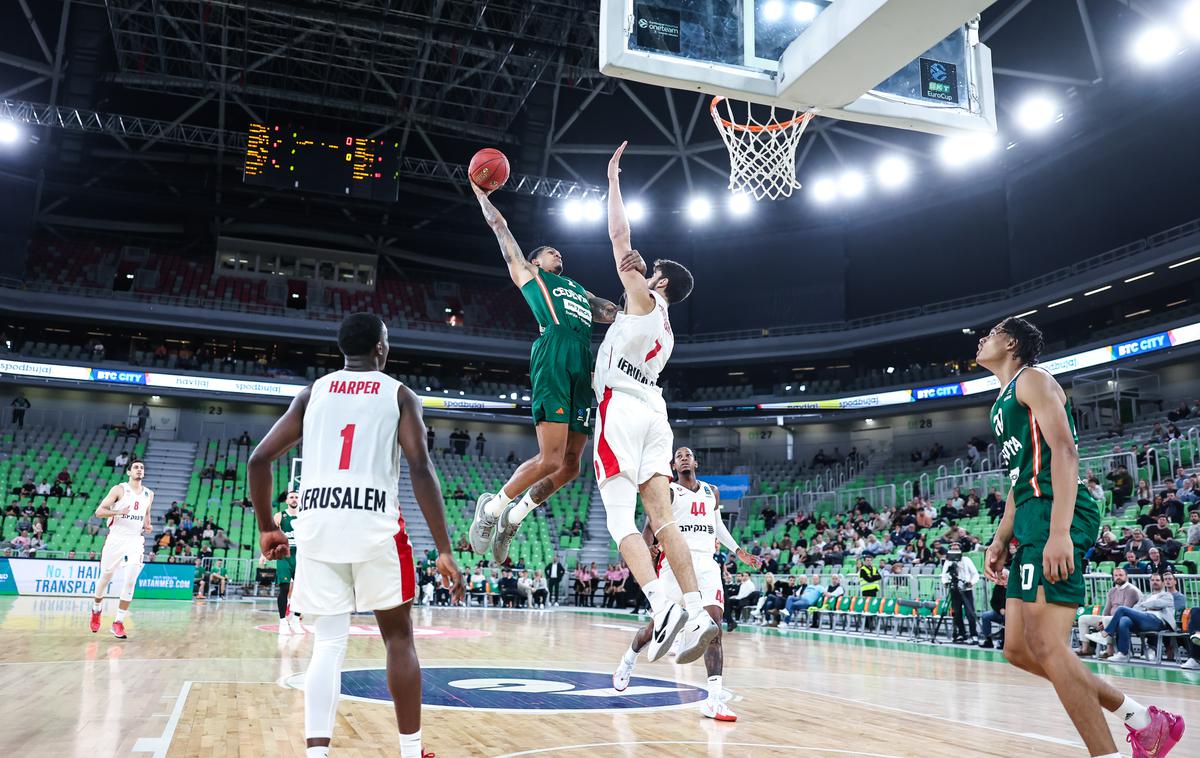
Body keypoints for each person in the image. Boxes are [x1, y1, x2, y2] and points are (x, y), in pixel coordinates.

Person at [247, 312, 464, 758]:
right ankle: (410, 751)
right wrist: (443, 548)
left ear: (342, 349)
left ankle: (316, 753)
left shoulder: (313, 393)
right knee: (399, 639)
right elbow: (421, 468)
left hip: (319, 528)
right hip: (374, 528)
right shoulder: (399, 394)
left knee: (328, 643)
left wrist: (268, 526)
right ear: (381, 349)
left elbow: (258, 460)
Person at [978, 317, 1184, 757]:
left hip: (1058, 513)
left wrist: (1059, 532)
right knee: (1017, 648)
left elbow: (1066, 451)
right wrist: (999, 540)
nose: (982, 339)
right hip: (1032, 514)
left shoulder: (1032, 379)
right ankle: (1144, 721)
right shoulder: (999, 404)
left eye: (992, 333)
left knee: (1049, 646)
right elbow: (1020, 480)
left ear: (1011, 343)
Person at [581, 142, 716, 664]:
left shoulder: (642, 296)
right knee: (663, 520)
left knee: (618, 518)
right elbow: (616, 312)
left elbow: (619, 236)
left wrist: (613, 181)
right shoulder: (666, 329)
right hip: (656, 413)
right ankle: (698, 610)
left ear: (657, 280)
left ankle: (662, 605)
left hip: (621, 408)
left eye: (650, 268)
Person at [466, 180, 627, 565]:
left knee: (571, 465)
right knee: (550, 458)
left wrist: (643, 307)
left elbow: (607, 311)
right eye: (551, 251)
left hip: (582, 362)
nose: (559, 254)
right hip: (554, 353)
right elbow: (501, 229)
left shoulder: (576, 288)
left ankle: (514, 517)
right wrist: (482, 197)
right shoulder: (529, 274)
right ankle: (491, 510)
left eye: (559, 252)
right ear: (537, 261)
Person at [612, 446, 763, 722]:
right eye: (678, 455)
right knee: (657, 626)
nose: (683, 457)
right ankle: (629, 659)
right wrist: (650, 549)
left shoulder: (711, 492)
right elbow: (648, 528)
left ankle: (713, 700)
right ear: (673, 465)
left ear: (696, 462)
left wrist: (739, 551)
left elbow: (717, 525)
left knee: (714, 627)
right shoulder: (669, 491)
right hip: (675, 565)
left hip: (706, 564)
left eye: (687, 454)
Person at [88, 459, 154, 639]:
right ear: (129, 472)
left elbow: (146, 515)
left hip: (135, 540)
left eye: (141, 468)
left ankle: (118, 622)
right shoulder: (119, 490)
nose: (139, 470)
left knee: (131, 579)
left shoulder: (149, 494)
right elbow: (99, 512)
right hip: (116, 538)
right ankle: (96, 609)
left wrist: (148, 526)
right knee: (106, 576)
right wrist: (118, 512)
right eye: (136, 467)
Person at [1087, 572, 1177, 663]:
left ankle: (1105, 633)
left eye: (1157, 580)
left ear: (1163, 583)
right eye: (1152, 580)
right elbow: (1135, 608)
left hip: (1157, 621)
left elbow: (1158, 604)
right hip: (1142, 620)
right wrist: (1145, 607)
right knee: (1124, 620)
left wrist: (1144, 606)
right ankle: (1123, 654)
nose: (1155, 582)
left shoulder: (1167, 595)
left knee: (1122, 609)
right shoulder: (1146, 596)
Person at [1076, 567, 1142, 657]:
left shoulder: (1132, 591)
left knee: (1107, 619)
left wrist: (1105, 620)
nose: (1118, 577)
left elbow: (1125, 611)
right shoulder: (1112, 591)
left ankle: (1109, 650)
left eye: (1121, 575)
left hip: (1124, 620)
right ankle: (1086, 648)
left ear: (1126, 577)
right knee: (1083, 619)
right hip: (1108, 619)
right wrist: (1101, 621)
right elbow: (1106, 610)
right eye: (1116, 575)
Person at [272, 491, 305, 636]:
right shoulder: (279, 516)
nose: (294, 499)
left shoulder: (305, 515)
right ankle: (283, 622)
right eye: (291, 497)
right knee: (284, 588)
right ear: (286, 500)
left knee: (300, 590)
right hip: (284, 554)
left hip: (301, 555)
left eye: (296, 497)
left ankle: (296, 621)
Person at [941, 543, 979, 643]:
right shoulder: (948, 562)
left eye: (956, 549)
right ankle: (961, 634)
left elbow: (975, 574)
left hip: (966, 590)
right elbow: (944, 575)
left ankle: (974, 634)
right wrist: (946, 583)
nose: (954, 551)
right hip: (954, 590)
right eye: (952, 549)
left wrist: (971, 582)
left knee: (970, 613)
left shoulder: (966, 560)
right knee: (957, 614)